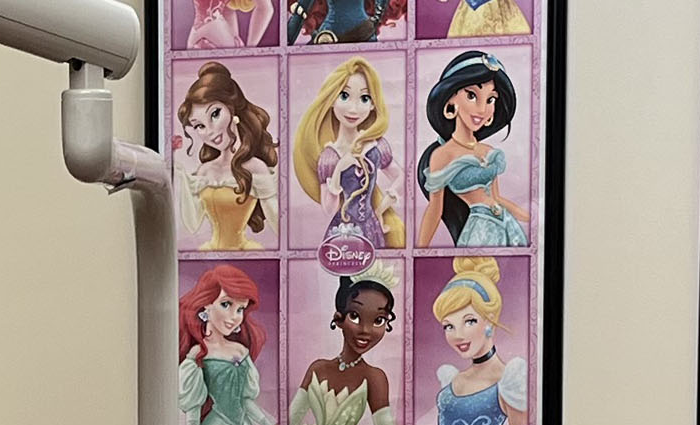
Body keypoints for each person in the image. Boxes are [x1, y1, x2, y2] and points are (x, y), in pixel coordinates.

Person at [290, 56, 402, 268]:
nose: (353, 108)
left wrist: (382, 207)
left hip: (372, 228)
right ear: (331, 100)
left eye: (364, 98)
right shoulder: (330, 157)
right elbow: (329, 209)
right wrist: (341, 168)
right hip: (341, 234)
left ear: (372, 105)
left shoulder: (376, 146)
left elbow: (401, 177)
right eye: (344, 96)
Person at [414, 49, 528, 248]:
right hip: (480, 231)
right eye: (472, 95)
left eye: (490, 99)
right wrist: (419, 252)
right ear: (450, 100)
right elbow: (435, 208)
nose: (482, 109)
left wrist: (534, 220)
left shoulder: (487, 151)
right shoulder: (442, 155)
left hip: (508, 225)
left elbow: (497, 198)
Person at [171, 62, 280, 251]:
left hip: (245, 254)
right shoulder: (204, 170)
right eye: (199, 126)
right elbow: (192, 224)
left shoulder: (255, 168)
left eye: (215, 114)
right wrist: (177, 172)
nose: (210, 131)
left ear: (232, 110)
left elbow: (279, 224)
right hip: (208, 253)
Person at [427, 259, 528, 425]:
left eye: (469, 321)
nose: (457, 335)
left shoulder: (510, 382)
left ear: (489, 320)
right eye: (449, 326)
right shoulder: (453, 377)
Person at [290, 271, 399, 425]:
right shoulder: (317, 369)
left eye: (378, 320)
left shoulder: (374, 377)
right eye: (355, 316)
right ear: (338, 319)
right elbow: (289, 423)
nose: (365, 330)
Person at [175, 264, 277, 425]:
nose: (234, 316)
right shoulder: (198, 353)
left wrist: (271, 423)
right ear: (206, 304)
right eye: (226, 304)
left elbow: (245, 401)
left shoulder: (241, 351)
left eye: (240, 309)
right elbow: (193, 409)